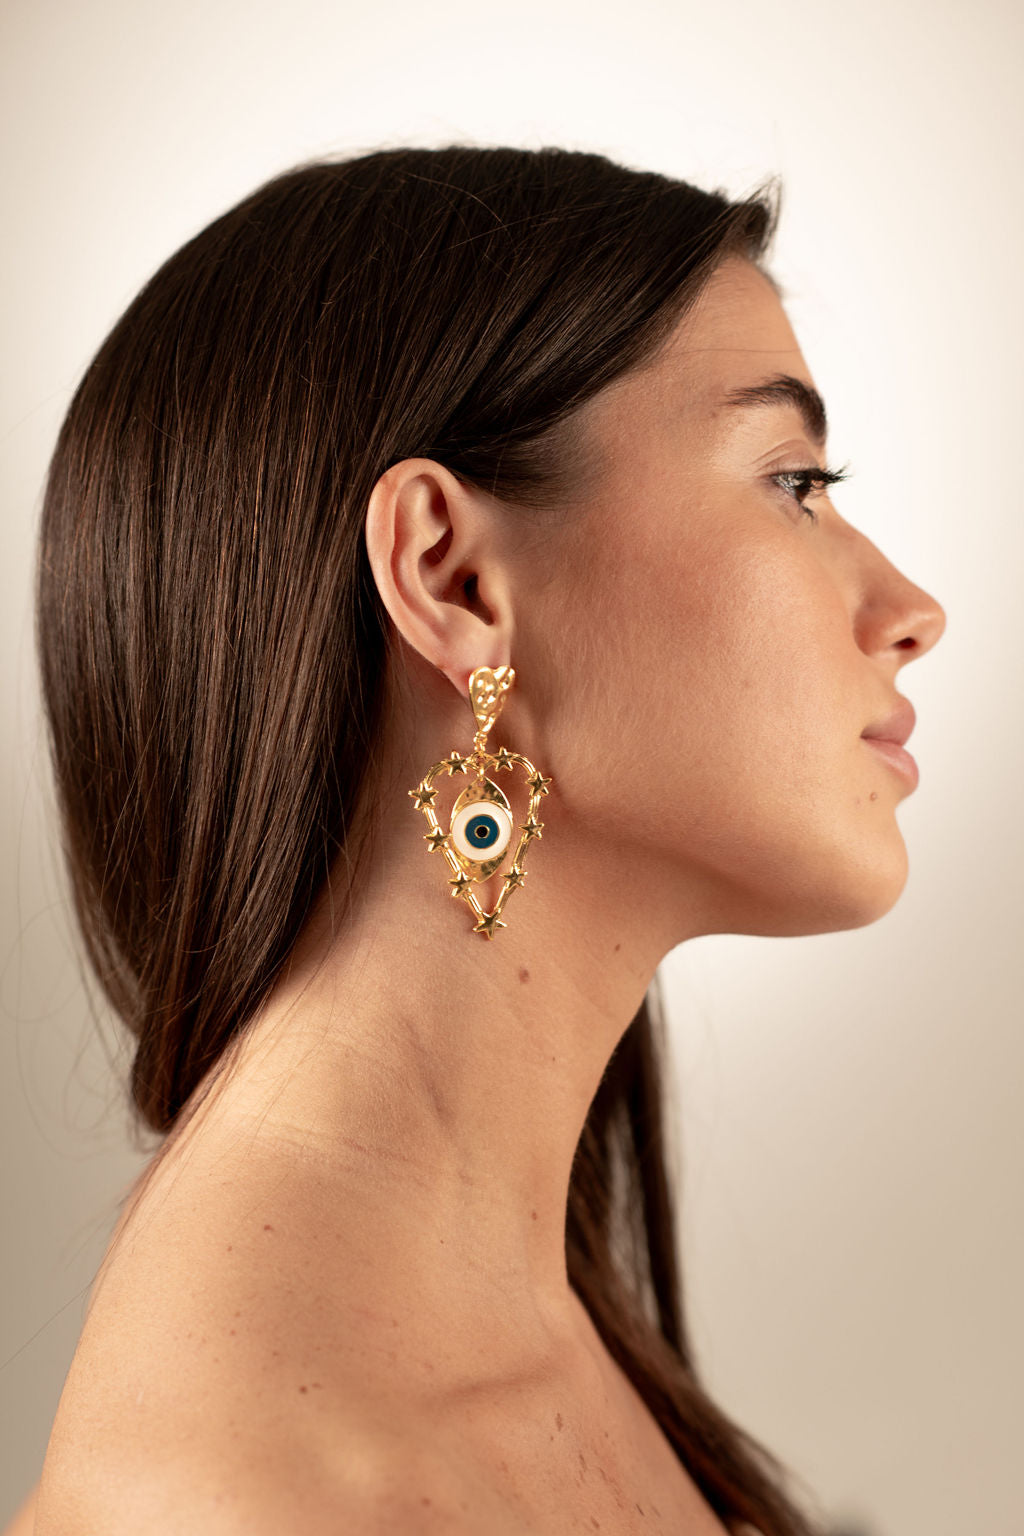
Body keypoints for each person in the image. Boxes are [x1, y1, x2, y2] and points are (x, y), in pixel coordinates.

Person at [15, 145, 944, 1536]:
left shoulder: (518, 1333)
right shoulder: (269, 1496)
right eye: (794, 482)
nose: (912, 609)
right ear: (450, 577)